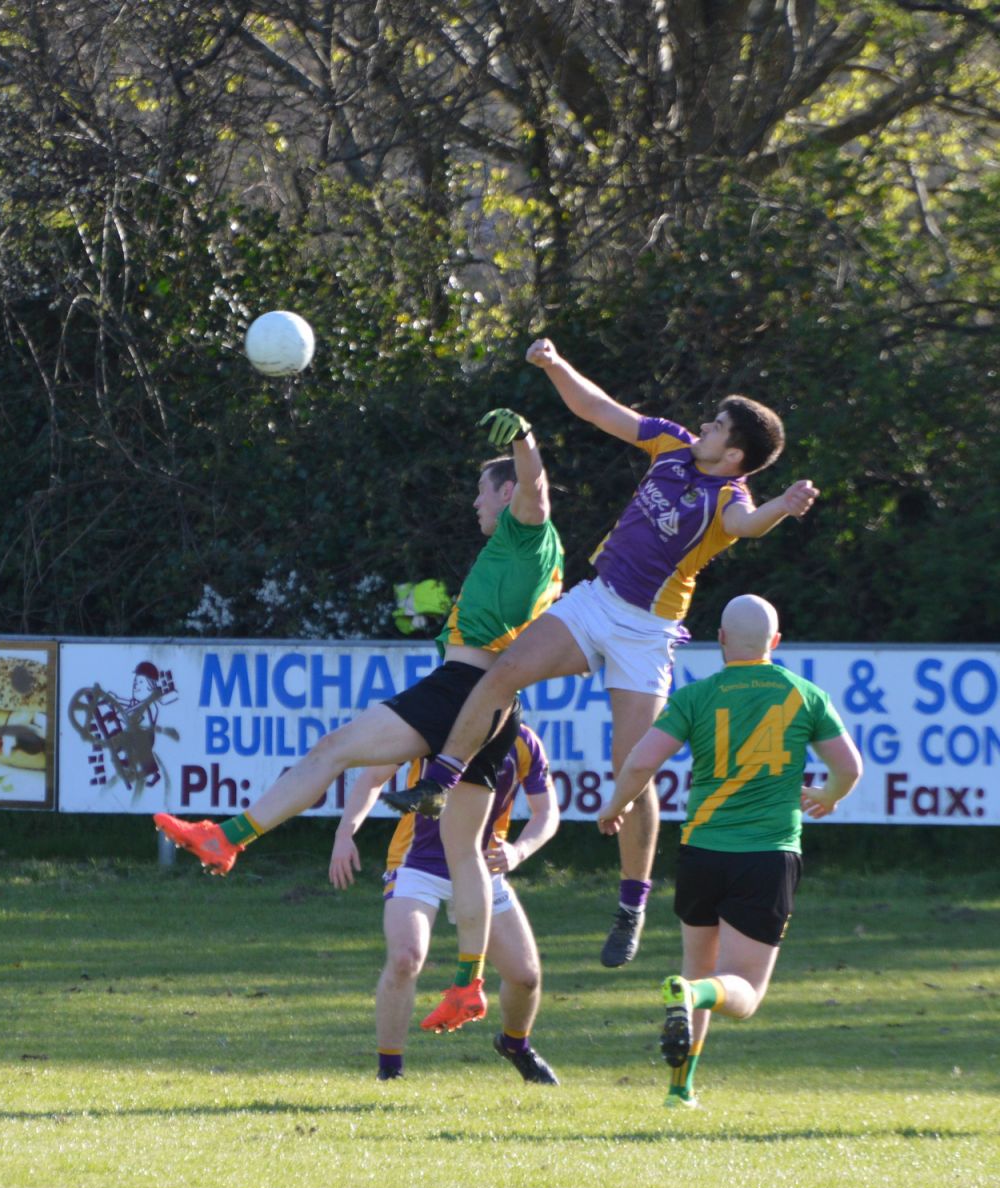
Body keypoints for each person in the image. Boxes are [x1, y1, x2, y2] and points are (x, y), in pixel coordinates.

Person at [384, 339, 819, 993]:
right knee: (500, 674)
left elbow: (748, 522)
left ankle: (631, 901)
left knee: (631, 769)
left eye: (717, 427)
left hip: (647, 633)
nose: (702, 426)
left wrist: (780, 507)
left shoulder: (727, 493)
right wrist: (554, 365)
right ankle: (441, 777)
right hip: (596, 601)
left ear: (734, 453)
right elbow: (599, 410)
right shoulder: (672, 445)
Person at [155, 408, 564, 1034]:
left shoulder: (525, 529)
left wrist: (524, 439)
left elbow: (536, 489)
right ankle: (468, 983)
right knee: (465, 852)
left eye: (482, 491)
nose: (475, 504)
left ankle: (228, 836)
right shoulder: (533, 550)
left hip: (460, 689)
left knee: (332, 750)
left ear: (505, 492)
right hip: (497, 708)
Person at [596, 594, 862, 1108]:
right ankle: (691, 998)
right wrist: (828, 795)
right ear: (775, 643)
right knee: (740, 993)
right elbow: (849, 766)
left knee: (699, 966)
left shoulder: (697, 697)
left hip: (701, 852)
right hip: (766, 857)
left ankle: (680, 1091)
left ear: (719, 640)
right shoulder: (803, 695)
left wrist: (615, 807)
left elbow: (639, 762)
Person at [330, 723, 560, 1083]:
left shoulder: (524, 740)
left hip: (482, 870)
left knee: (526, 977)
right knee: (406, 959)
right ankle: (390, 1072)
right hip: (418, 865)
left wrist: (518, 851)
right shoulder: (437, 726)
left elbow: (547, 813)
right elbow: (374, 776)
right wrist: (345, 832)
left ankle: (516, 1046)